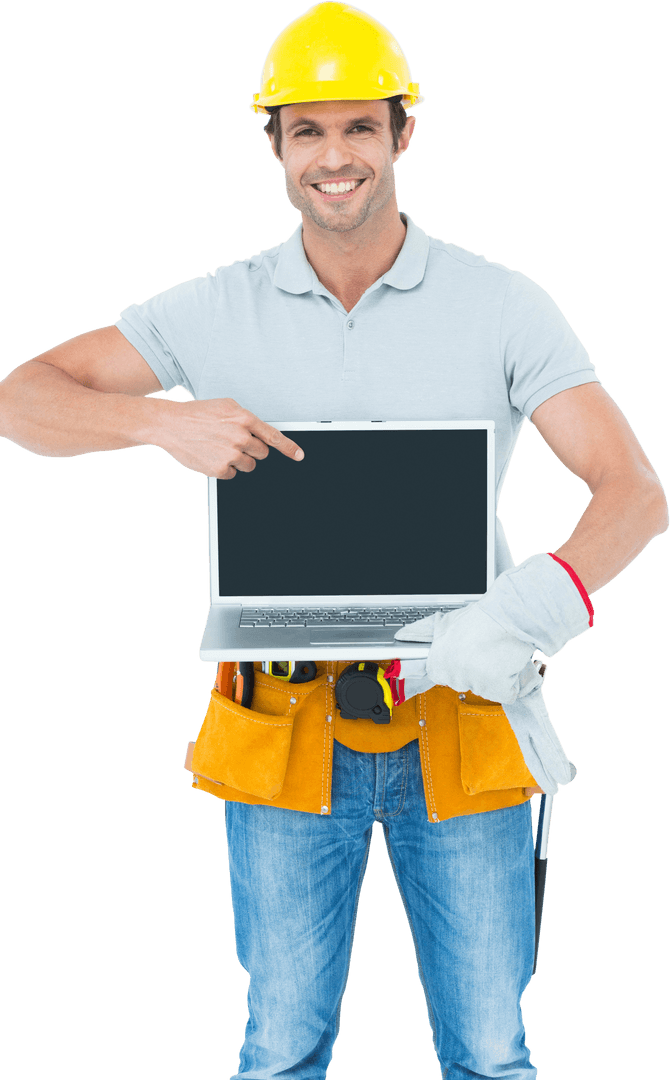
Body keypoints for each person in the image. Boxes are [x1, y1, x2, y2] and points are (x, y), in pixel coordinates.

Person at [0, 3, 666, 1078]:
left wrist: (523, 612)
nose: (335, 155)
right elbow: (19, 398)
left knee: (491, 1055)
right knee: (280, 1053)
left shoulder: (502, 304)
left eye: (360, 126)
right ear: (274, 143)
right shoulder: (214, 308)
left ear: (403, 134)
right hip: (282, 720)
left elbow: (632, 491)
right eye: (307, 130)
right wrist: (162, 423)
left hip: (463, 708)